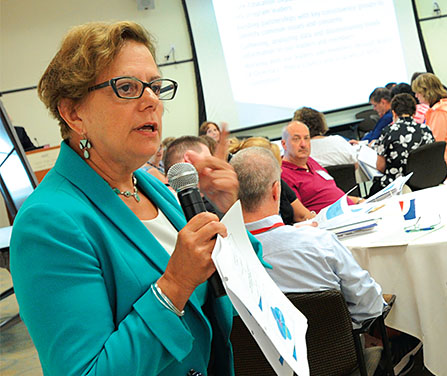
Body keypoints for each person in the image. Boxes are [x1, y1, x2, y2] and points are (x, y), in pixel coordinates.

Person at [11, 21, 261, 375]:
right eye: (127, 87)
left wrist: (228, 214)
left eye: (155, 87)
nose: (151, 101)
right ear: (73, 113)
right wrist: (174, 285)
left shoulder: (152, 185)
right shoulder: (48, 223)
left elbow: (246, 280)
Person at [232, 146, 383, 323]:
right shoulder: (320, 243)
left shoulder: (221, 258)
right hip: (339, 346)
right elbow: (369, 305)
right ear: (276, 191)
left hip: (256, 350)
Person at [228, 136, 315, 225]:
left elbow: (303, 215)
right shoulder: (232, 192)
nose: (281, 170)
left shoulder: (279, 182)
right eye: (277, 165)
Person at [281, 121, 363, 213]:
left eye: (306, 138)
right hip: (331, 221)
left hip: (350, 209)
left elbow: (330, 193)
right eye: (296, 139)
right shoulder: (284, 173)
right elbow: (301, 216)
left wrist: (358, 201)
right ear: (284, 144)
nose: (303, 144)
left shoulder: (310, 161)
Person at [373, 93, 435, 192]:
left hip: (397, 185)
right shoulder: (425, 129)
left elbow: (380, 166)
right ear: (414, 112)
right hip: (424, 181)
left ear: (394, 113)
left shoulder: (388, 131)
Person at [412, 73, 447, 173]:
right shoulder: (444, 105)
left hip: (446, 161)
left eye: (418, 92)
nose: (416, 95)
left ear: (426, 92)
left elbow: (435, 143)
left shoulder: (439, 112)